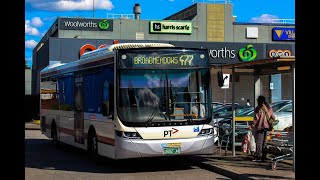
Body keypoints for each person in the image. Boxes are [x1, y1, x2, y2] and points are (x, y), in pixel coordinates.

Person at [249, 95, 275, 162]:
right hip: (267, 127)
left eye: (257, 100)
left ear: (259, 101)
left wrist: (251, 126)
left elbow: (256, 119)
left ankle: (258, 156)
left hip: (260, 127)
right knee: (264, 142)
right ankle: (264, 156)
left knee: (259, 142)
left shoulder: (258, 108)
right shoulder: (269, 108)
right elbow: (273, 117)